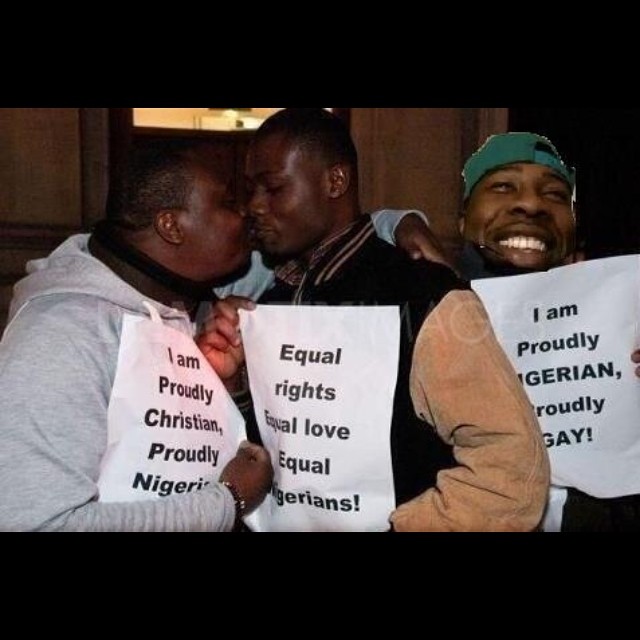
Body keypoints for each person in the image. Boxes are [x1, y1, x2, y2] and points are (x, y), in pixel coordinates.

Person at [198, 108, 550, 531]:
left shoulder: (421, 293)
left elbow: (511, 470)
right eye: (251, 189)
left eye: (273, 188)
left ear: (335, 182)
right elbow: (281, 449)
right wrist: (237, 387)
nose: (255, 205)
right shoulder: (271, 301)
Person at [0, 140, 274, 532]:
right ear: (171, 226)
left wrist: (228, 388)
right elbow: (40, 524)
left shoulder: (189, 309)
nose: (245, 213)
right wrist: (228, 499)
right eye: (228, 202)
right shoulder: (60, 335)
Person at [457, 131, 640, 531]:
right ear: (462, 219)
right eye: (503, 186)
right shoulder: (415, 312)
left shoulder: (628, 319)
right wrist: (399, 223)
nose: (531, 204)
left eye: (556, 194)